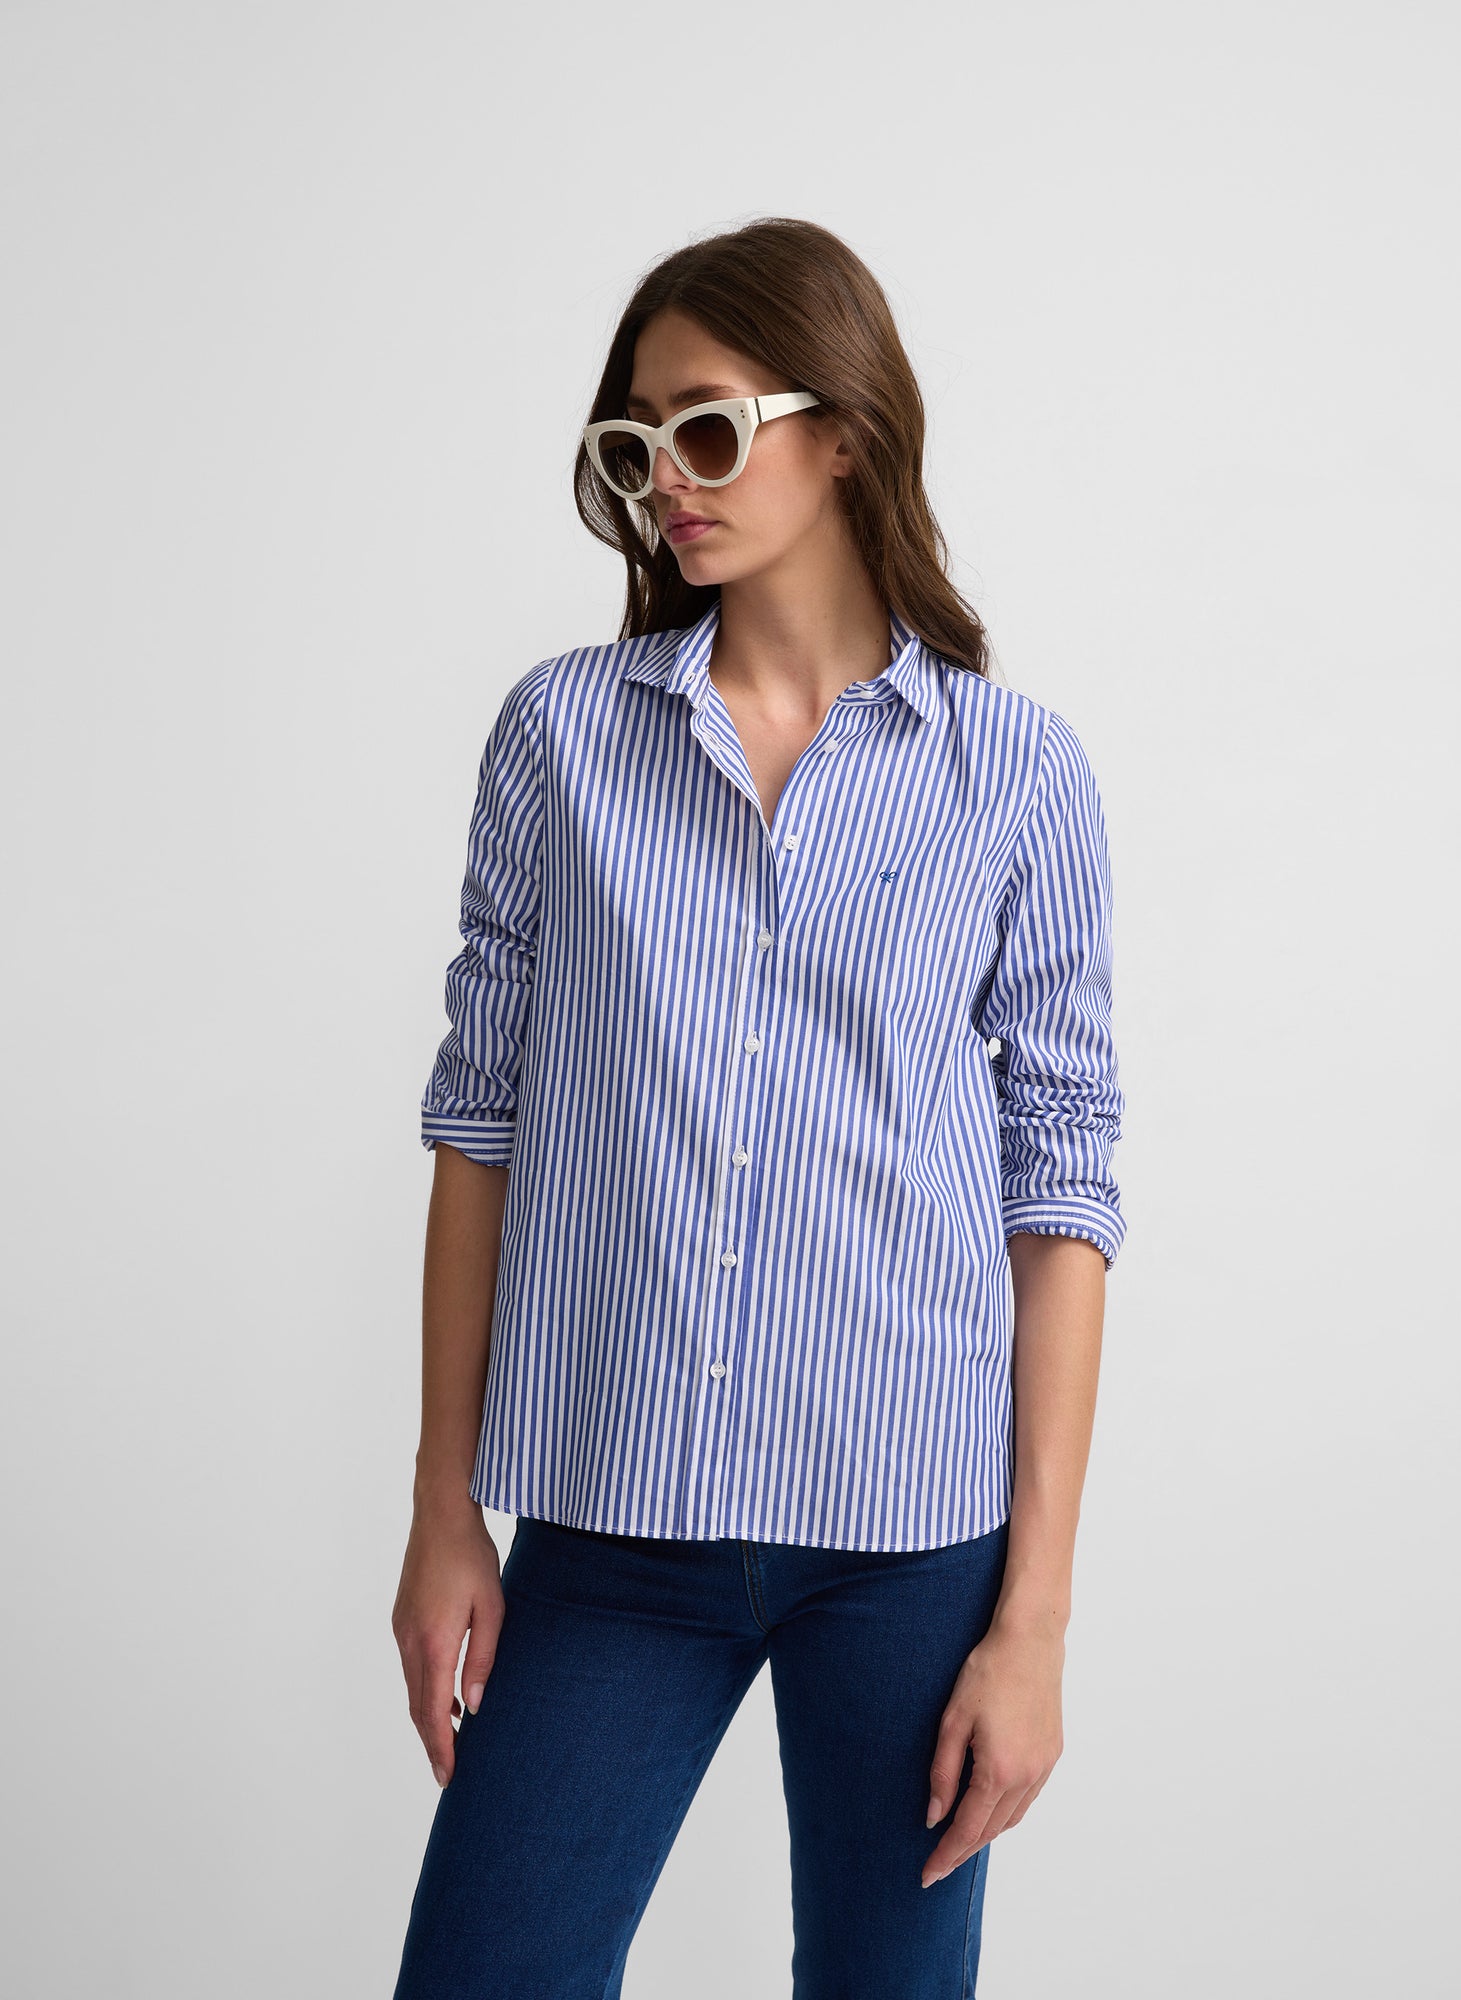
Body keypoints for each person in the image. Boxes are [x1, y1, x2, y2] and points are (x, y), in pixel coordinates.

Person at [390, 215, 1126, 2000]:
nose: (666, 478)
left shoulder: (1016, 775)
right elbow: (478, 1126)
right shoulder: (562, 740)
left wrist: (1033, 1619)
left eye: (707, 428)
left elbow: (1063, 1194)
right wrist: (442, 1507)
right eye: (633, 441)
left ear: (846, 435)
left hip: (912, 1539)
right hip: (613, 1515)